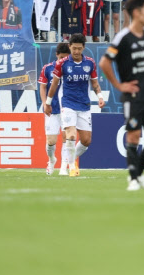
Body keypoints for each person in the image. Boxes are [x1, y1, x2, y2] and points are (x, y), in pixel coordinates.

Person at [99, 0, 144, 190]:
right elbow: (104, 63)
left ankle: (138, 173)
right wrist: (119, 86)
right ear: (136, 13)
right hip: (133, 95)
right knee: (133, 137)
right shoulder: (123, 37)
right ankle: (133, 179)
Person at [44, 33, 105, 177]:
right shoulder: (62, 63)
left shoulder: (90, 63)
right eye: (74, 49)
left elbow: (95, 83)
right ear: (70, 47)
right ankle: (71, 167)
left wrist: (100, 97)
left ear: (84, 47)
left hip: (84, 104)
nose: (76, 52)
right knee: (70, 136)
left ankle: (66, 162)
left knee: (86, 141)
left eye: (79, 48)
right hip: (67, 103)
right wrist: (48, 102)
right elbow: (54, 84)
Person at [38, 42, 71, 175]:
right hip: (52, 109)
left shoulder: (70, 68)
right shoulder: (47, 68)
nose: (63, 60)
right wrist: (45, 103)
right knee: (51, 141)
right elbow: (42, 87)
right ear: (56, 55)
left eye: (65, 57)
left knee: (66, 137)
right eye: (61, 57)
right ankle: (52, 160)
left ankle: (63, 167)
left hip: (67, 108)